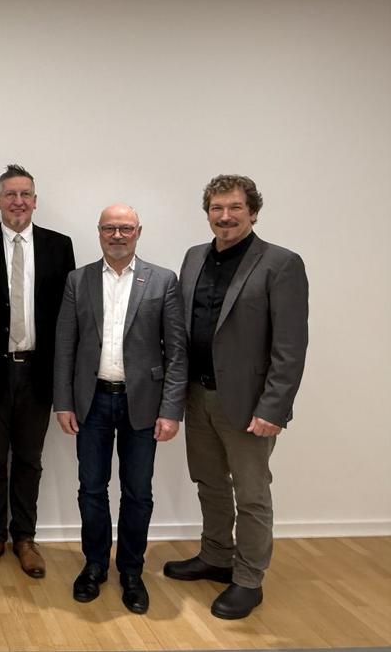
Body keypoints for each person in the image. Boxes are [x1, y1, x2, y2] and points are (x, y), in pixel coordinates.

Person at [163, 174, 308, 620]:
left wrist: (273, 408)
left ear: (253, 212)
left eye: (235, 208)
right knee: (208, 483)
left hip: (249, 405)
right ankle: (216, 556)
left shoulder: (281, 264)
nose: (225, 216)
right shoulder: (193, 258)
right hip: (198, 396)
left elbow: (290, 346)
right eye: (217, 208)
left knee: (251, 494)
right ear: (207, 212)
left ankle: (248, 579)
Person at [53, 204, 187, 614]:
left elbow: (176, 351)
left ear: (138, 232)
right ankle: (94, 565)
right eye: (109, 228)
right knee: (91, 489)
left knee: (138, 492)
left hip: (142, 403)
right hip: (91, 400)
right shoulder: (78, 280)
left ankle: (131, 571)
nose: (117, 235)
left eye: (125, 228)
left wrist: (171, 410)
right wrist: (63, 402)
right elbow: (65, 346)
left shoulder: (162, 280)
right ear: (99, 232)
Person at [0, 164, 75, 579]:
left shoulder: (59, 246)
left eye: (25, 194)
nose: (18, 201)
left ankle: (25, 537)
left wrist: (65, 379)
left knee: (29, 459)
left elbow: (68, 317)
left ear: (35, 201)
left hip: (38, 371)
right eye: (10, 194)